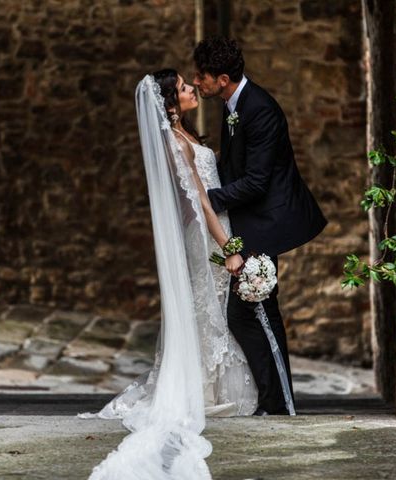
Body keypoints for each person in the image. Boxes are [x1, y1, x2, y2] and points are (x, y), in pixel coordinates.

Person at [79, 69, 258, 479]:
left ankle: (203, 386)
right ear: (172, 106)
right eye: (182, 87)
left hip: (210, 234)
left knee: (208, 308)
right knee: (207, 307)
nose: (192, 88)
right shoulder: (179, 142)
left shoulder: (184, 137)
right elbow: (203, 204)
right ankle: (201, 390)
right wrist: (228, 248)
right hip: (209, 236)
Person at [193, 36, 328, 415]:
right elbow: (234, 166)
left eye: (200, 77)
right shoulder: (232, 104)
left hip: (267, 220)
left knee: (259, 312)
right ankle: (270, 401)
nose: (197, 82)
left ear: (221, 78)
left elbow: (256, 182)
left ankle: (281, 402)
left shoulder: (261, 109)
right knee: (250, 312)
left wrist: (205, 200)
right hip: (247, 220)